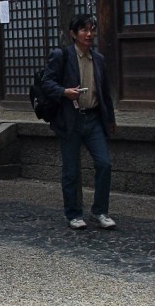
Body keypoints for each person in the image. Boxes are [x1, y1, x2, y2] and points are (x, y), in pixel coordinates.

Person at [40, 13, 117, 230]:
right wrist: (65, 92)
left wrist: (110, 119)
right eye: (84, 30)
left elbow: (105, 93)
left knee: (104, 164)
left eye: (92, 29)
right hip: (70, 119)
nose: (89, 34)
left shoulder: (99, 59)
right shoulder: (62, 55)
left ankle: (100, 211)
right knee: (71, 170)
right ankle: (73, 213)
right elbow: (47, 82)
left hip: (93, 118)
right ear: (74, 34)